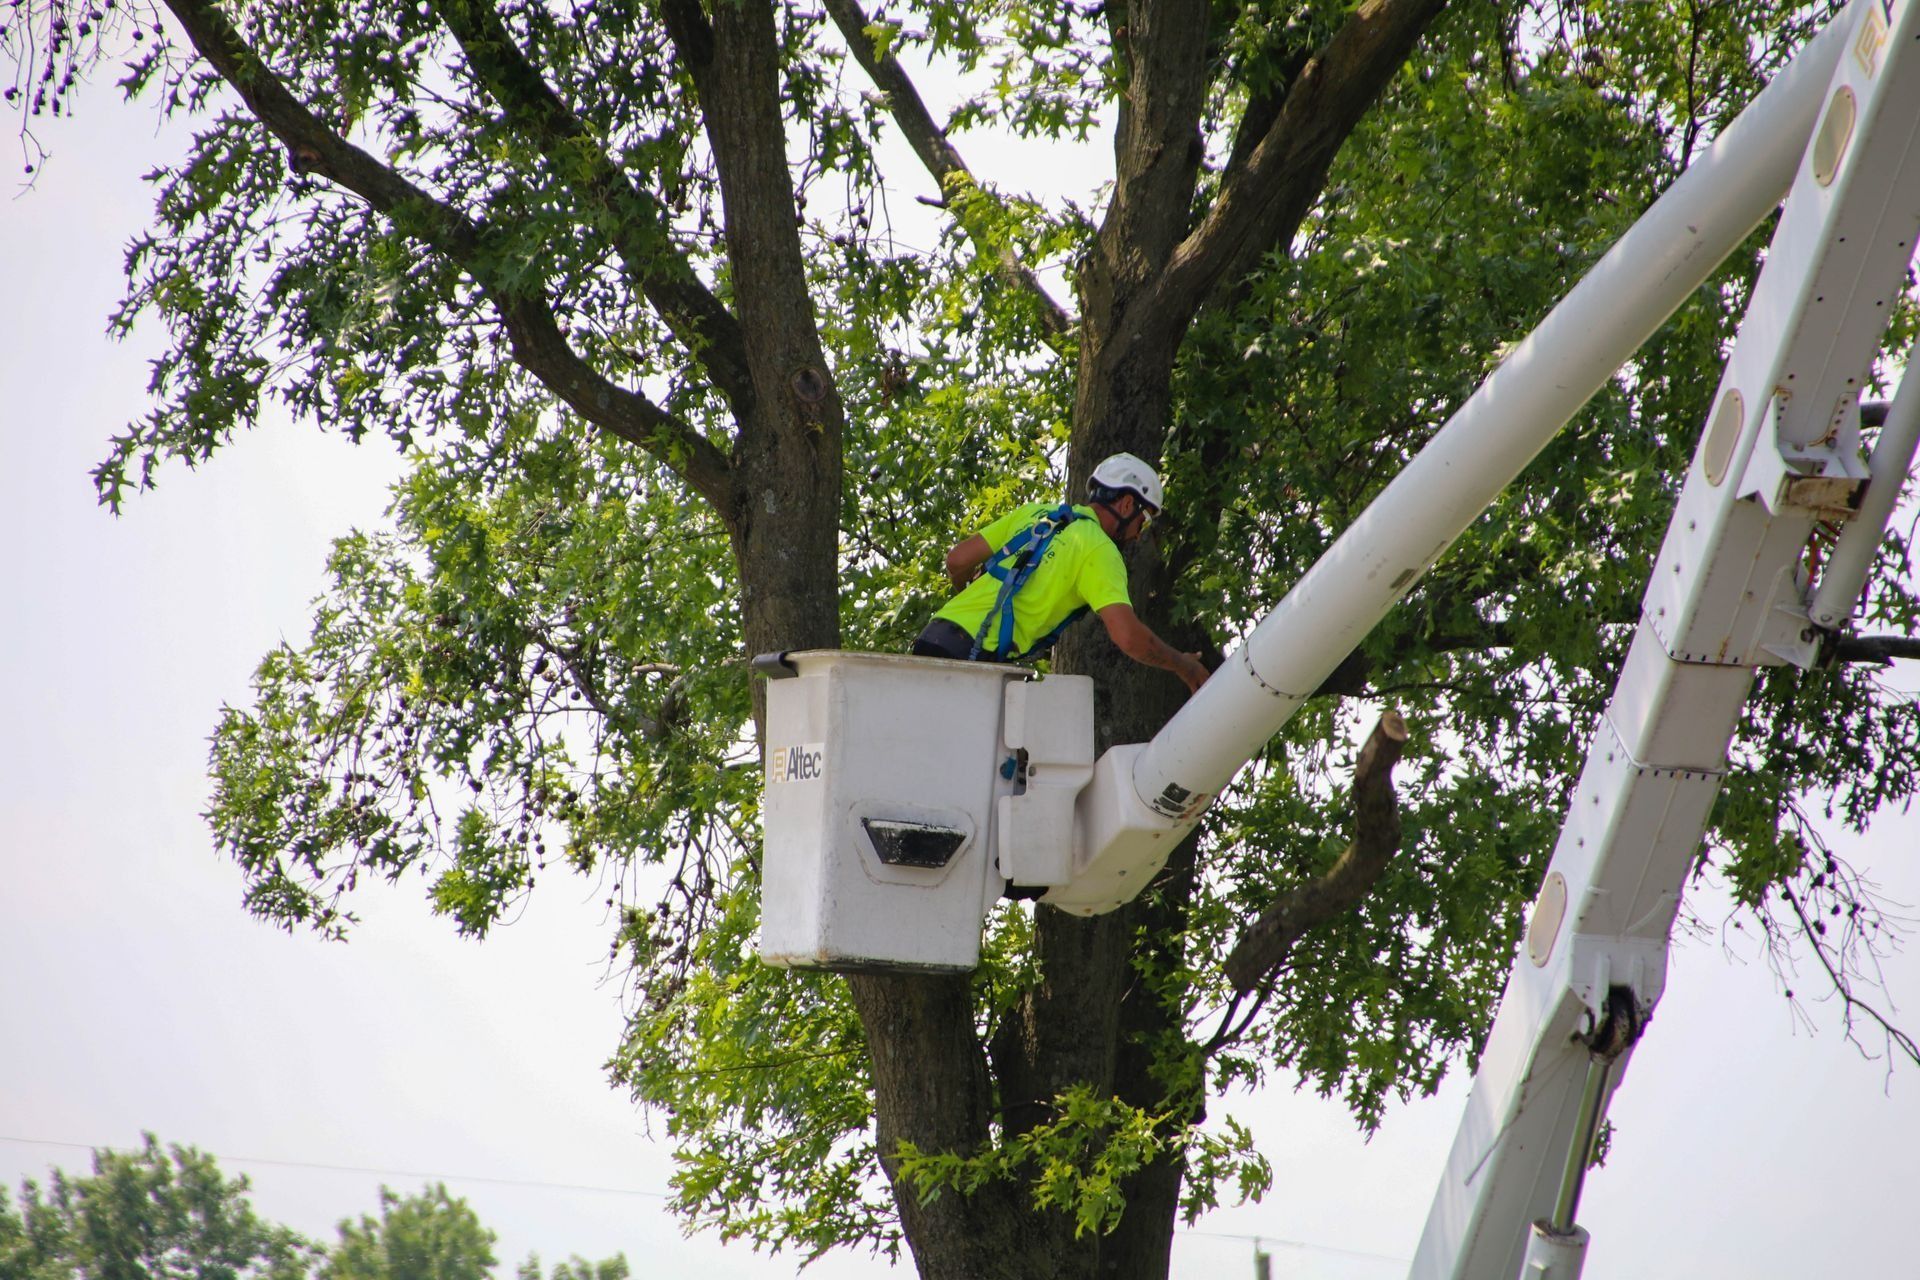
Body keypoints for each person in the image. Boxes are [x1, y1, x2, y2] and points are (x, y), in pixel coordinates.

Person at [913, 453, 1211, 693]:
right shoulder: (1098, 549)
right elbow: (1128, 637)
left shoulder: (1034, 513)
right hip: (971, 659)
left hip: (932, 638)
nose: (1137, 534)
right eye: (1143, 521)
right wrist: (1184, 666)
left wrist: (967, 595)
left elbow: (956, 560)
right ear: (1127, 503)